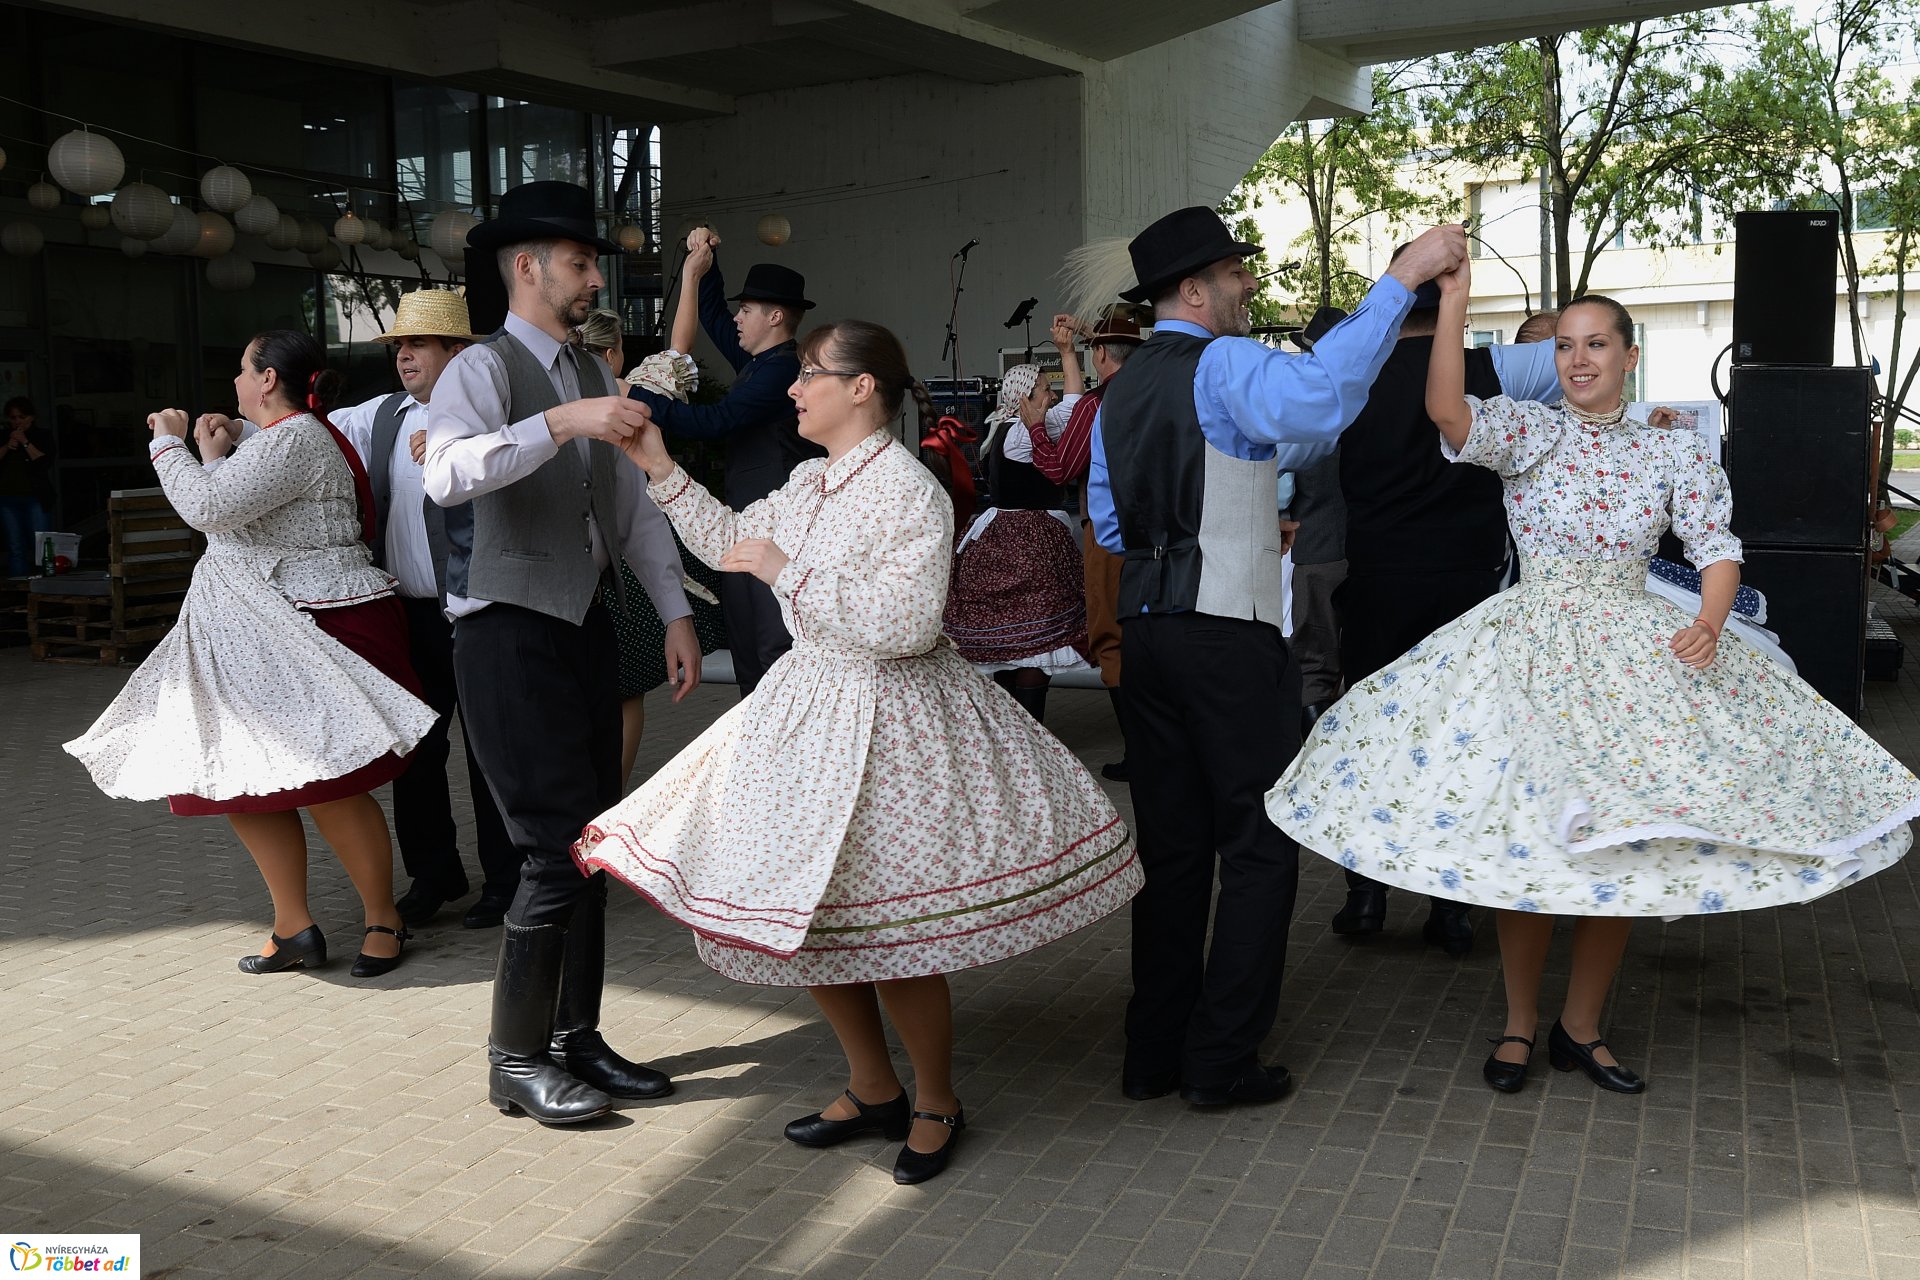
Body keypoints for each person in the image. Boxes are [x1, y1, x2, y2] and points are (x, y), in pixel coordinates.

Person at [1269, 269, 1920, 1095]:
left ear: (1628, 357)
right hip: (1531, 650)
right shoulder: (1528, 432)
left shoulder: (1671, 450)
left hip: (1634, 658)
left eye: (1597, 345)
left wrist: (1710, 621)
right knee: (1529, 841)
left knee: (1623, 846)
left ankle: (1581, 1028)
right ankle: (1518, 1023)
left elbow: (1717, 548)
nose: (1579, 360)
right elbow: (1446, 410)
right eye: (1567, 347)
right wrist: (1454, 304)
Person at [576, 319, 1142, 1183]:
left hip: (892, 719)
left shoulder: (908, 490)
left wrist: (788, 573)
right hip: (809, 710)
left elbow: (907, 625)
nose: (794, 389)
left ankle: (937, 1100)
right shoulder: (812, 480)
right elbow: (731, 540)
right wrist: (657, 463)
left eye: (810, 375)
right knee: (806, 920)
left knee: (891, 930)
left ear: (861, 387)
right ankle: (873, 1086)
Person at [1088, 206, 1468, 1107]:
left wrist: (1240, 514)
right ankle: (1220, 1060)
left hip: (1148, 635)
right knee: (1259, 845)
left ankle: (1153, 1054)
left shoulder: (1121, 390)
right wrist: (1402, 278)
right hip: (1227, 633)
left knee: (1173, 852)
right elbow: (1325, 394)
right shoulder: (1223, 362)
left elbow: (1110, 524)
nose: (1248, 284)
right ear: (1194, 290)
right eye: (1234, 273)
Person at [424, 179, 700, 1126]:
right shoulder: (481, 368)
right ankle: (515, 1060)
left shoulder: (591, 372)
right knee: (550, 846)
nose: (593, 279)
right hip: (503, 630)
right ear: (528, 267)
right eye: (580, 263)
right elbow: (447, 472)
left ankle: (577, 1039)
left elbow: (629, 506)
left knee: (591, 844)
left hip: (584, 624)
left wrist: (674, 612)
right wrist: (556, 423)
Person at [65, 331, 438, 978]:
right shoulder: (277, 439)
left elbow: (208, 509)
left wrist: (167, 443)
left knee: (328, 783)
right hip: (254, 633)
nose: (234, 381)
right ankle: (293, 927)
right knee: (244, 779)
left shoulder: (296, 438)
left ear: (267, 380)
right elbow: (238, 515)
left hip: (307, 627)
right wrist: (216, 454)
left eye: (242, 369)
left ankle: (385, 919)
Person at [1323, 248, 1562, 957]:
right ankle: (1450, 904)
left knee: (1372, 735)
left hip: (1377, 575)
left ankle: (1365, 893)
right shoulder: (1504, 369)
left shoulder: (1346, 377)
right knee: (1463, 739)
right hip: (1468, 580)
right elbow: (1590, 357)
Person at [329, 289, 520, 931]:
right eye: (398, 346)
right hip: (407, 616)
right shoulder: (382, 414)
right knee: (414, 753)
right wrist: (241, 427)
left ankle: (507, 880)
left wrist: (456, 443)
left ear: (458, 352)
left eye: (418, 344)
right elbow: (313, 437)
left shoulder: (495, 416)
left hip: (478, 611)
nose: (403, 355)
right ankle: (433, 875)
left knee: (490, 751)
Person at [625, 227, 823, 695]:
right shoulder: (759, 361)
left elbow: (717, 421)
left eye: (747, 310)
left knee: (772, 648)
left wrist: (635, 396)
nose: (738, 318)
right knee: (747, 649)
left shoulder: (783, 369)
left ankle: (779, 732)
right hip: (744, 524)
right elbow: (713, 316)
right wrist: (704, 266)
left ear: (775, 316)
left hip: (777, 531)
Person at [1025, 309, 1144, 776]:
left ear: (1100, 354)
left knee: (1110, 638)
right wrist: (1077, 345)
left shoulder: (1097, 405)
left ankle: (1140, 753)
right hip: (1166, 534)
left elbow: (1062, 468)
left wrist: (1036, 428)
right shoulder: (1156, 389)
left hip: (1111, 535)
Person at [941, 363, 1090, 721]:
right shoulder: (1022, 433)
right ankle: (1027, 730)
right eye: (1045, 389)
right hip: (1027, 543)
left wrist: (1067, 354)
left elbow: (1070, 405)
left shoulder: (1006, 426)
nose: (1052, 395)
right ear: (1025, 399)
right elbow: (1073, 408)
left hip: (1001, 536)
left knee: (1013, 645)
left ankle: (1013, 730)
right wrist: (1068, 354)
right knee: (1035, 641)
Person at [1284, 307, 1350, 734]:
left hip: (1314, 548)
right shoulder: (1369, 400)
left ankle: (1317, 749)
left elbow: (1281, 490)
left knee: (1313, 662)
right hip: (1367, 546)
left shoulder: (1301, 412)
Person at [1, 396, 54, 576]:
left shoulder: (42, 435)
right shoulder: (4, 435)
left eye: (21, 417)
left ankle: (45, 583)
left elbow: (44, 462)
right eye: (13, 418)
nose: (17, 421)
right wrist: (7, 446)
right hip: (7, 498)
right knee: (15, 545)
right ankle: (19, 583)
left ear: (31, 417)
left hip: (35, 498)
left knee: (41, 544)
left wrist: (24, 442)